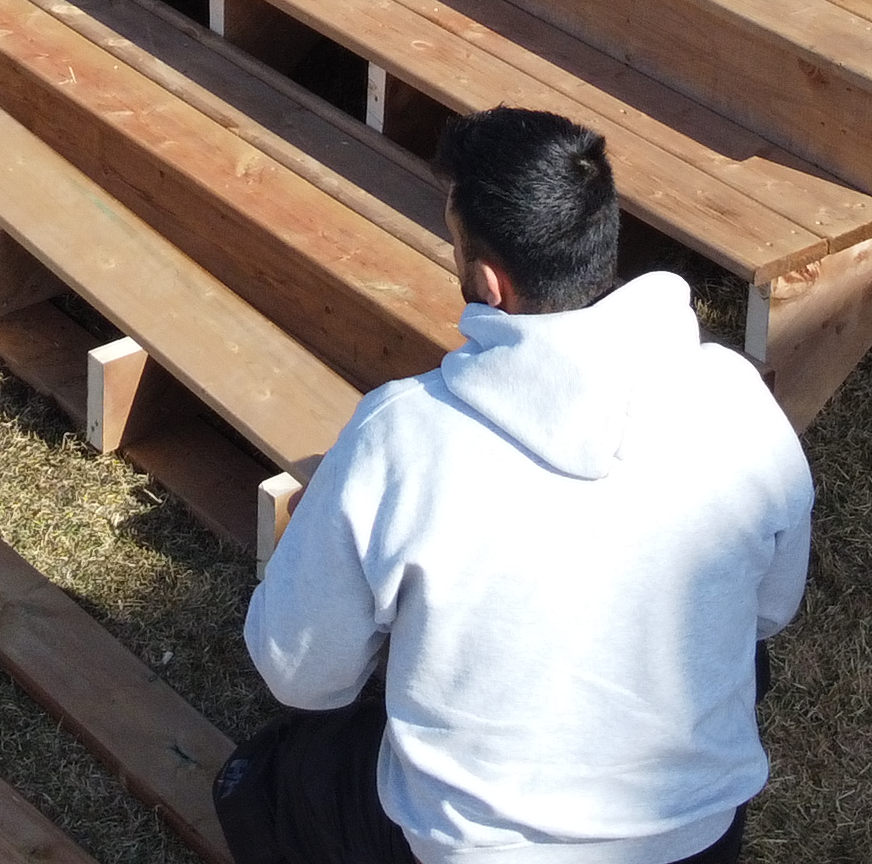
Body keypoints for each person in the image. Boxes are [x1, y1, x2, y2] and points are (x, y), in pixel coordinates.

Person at [227, 109, 811, 864]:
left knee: (264, 785)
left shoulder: (402, 437)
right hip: (696, 842)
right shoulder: (734, 398)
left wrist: (309, 548)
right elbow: (770, 611)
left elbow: (303, 675)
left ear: (487, 282)